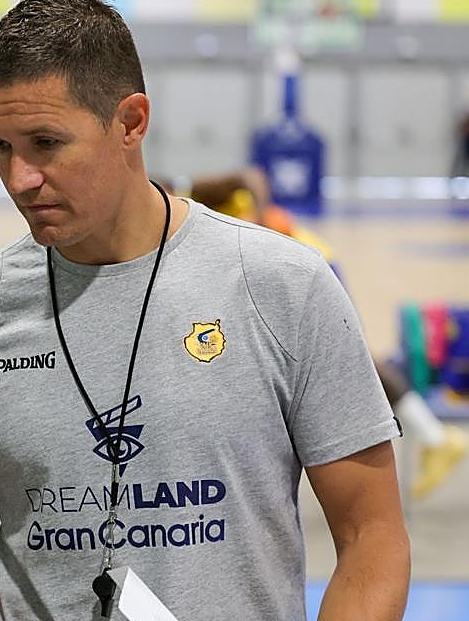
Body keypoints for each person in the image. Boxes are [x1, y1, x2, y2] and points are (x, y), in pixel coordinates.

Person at [0, 0, 409, 621]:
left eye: (45, 142)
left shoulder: (282, 287)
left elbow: (372, 531)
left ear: (131, 122)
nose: (18, 178)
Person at [183, 166, 468, 500]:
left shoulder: (194, 194)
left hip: (305, 263)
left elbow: (254, 176)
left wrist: (260, 219)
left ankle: (435, 439)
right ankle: (434, 437)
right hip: (284, 265)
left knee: (347, 360)